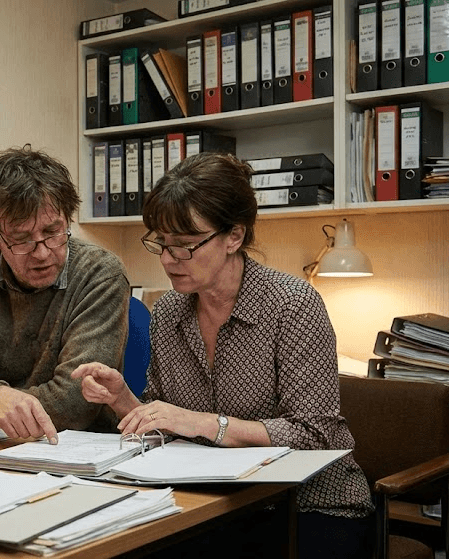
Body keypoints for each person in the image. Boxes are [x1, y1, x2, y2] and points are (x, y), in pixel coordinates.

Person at [71, 152, 375, 558]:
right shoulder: (168, 312)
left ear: (234, 236)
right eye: (161, 243)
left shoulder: (292, 304)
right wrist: (124, 400)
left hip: (310, 504)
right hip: (214, 503)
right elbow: (170, 422)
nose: (167, 260)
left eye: (184, 246)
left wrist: (206, 423)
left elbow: (316, 436)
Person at [0, 145, 130, 444]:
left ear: (67, 220)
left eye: (53, 232)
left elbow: (76, 400)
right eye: (21, 239)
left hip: (76, 448)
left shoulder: (100, 273)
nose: (42, 253)